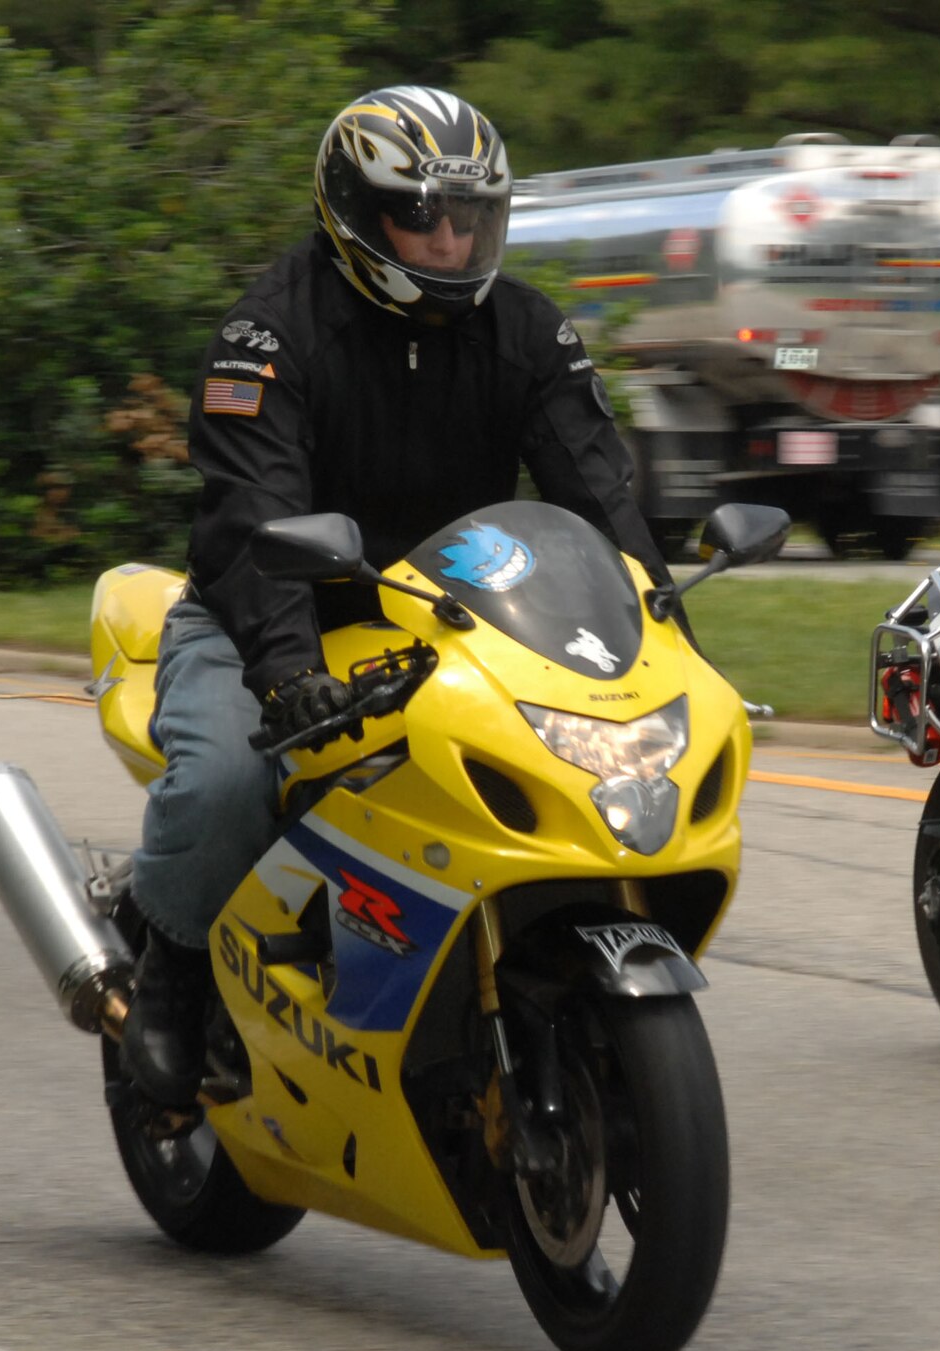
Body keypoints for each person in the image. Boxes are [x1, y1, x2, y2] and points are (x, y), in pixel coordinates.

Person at [122, 86, 677, 1105]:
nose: (453, 242)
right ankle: (170, 972)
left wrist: (661, 626)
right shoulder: (269, 334)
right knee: (224, 784)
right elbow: (253, 521)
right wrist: (286, 673)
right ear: (348, 211)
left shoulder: (529, 332)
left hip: (462, 619)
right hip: (273, 615)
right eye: (421, 218)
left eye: (472, 219)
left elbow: (600, 494)